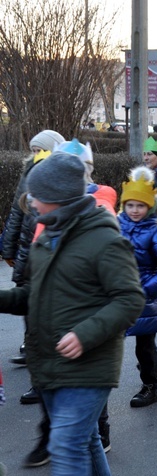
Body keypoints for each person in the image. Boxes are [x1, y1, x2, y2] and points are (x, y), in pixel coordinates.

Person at [0, 151, 145, 476]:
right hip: (50, 363)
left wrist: (84, 334)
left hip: (89, 367)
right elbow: (33, 298)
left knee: (65, 446)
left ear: (58, 197)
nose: (31, 202)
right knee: (86, 441)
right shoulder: (47, 237)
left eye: (36, 196)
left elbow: (130, 299)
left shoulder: (105, 239)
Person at [3, 130, 65, 374]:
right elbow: (17, 210)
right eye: (35, 150)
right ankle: (31, 345)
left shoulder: (60, 175)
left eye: (42, 149)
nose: (37, 154)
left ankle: (38, 348)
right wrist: (8, 246)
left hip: (44, 245)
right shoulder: (29, 172)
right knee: (26, 295)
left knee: (41, 299)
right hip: (26, 246)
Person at [118, 167, 157, 407]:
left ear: (150, 207)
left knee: (144, 347)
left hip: (144, 298)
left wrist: (148, 289)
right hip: (116, 297)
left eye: (140, 206)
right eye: (130, 205)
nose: (135, 210)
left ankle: (150, 385)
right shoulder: (115, 226)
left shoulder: (154, 232)